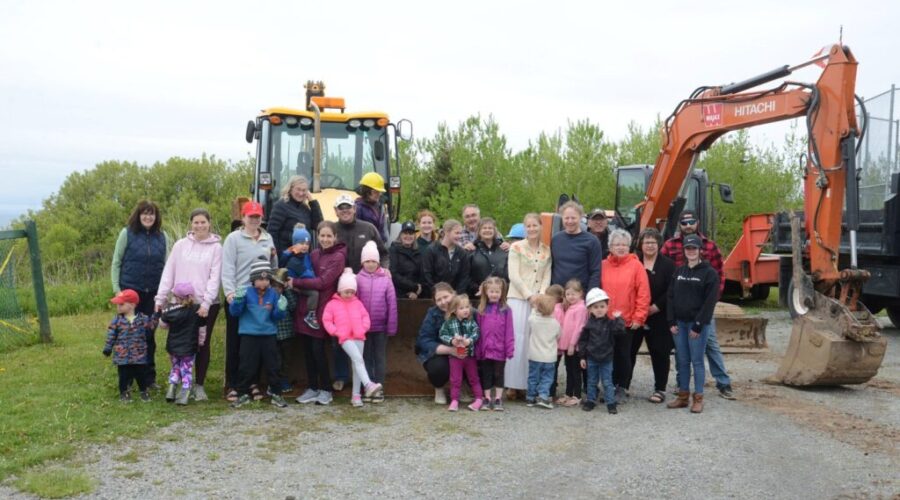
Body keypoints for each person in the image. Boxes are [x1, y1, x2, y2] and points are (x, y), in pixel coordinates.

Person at [661, 209, 735, 400]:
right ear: (679, 224)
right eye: (684, 223)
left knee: (710, 343)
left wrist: (709, 305)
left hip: (702, 309)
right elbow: (663, 272)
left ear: (698, 223)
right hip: (680, 309)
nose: (688, 226)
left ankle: (723, 383)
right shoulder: (669, 246)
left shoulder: (710, 246)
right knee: (681, 350)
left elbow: (719, 275)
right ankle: (682, 384)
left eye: (691, 222)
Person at [154, 208, 221, 402]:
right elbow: (169, 272)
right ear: (191, 224)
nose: (200, 226)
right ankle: (180, 383)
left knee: (202, 343)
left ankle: (198, 386)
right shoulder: (180, 245)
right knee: (179, 343)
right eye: (196, 222)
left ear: (209, 223)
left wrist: (207, 303)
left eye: (203, 222)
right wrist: (160, 298)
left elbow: (215, 278)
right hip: (180, 303)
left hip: (204, 304)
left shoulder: (216, 247)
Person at [221, 200, 277, 401]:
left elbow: (273, 265)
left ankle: (252, 381)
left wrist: (274, 290)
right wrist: (229, 293)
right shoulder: (233, 239)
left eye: (257, 216)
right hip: (239, 296)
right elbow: (227, 268)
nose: (254, 220)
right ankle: (233, 384)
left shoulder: (267, 239)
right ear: (243, 218)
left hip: (260, 296)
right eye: (250, 216)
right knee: (235, 342)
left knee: (254, 343)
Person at [332, 192, 389, 391]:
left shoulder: (368, 228)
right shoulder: (331, 230)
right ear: (336, 211)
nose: (345, 211)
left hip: (365, 288)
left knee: (359, 333)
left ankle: (366, 380)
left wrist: (384, 270)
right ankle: (341, 375)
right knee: (340, 333)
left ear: (354, 209)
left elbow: (383, 254)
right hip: (339, 289)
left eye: (348, 207)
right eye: (341, 208)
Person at [111, 200, 171, 389]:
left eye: (151, 213)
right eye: (144, 213)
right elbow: (116, 262)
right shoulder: (126, 234)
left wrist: (166, 292)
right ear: (138, 215)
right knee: (128, 336)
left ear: (156, 217)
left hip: (153, 294)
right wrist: (117, 290)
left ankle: (148, 378)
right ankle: (127, 379)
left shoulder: (163, 237)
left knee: (148, 335)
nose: (148, 217)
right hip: (130, 292)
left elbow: (168, 266)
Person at [292, 221, 347, 406]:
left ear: (335, 237)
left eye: (328, 236)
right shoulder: (313, 254)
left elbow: (323, 282)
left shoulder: (338, 257)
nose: (325, 239)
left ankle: (326, 389)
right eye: (322, 236)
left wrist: (296, 283)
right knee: (307, 350)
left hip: (322, 310)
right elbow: (304, 273)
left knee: (318, 351)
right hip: (305, 308)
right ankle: (312, 387)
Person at [667, 234, 719, 414]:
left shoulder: (709, 273)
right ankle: (683, 396)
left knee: (697, 361)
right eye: (688, 248)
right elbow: (671, 296)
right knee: (682, 360)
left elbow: (709, 302)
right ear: (684, 250)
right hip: (679, 324)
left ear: (700, 251)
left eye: (694, 248)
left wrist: (698, 325)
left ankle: (698, 398)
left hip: (697, 325)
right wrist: (671, 320)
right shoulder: (679, 271)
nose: (691, 251)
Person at [229, 258, 289, 409]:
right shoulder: (246, 292)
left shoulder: (273, 294)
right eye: (259, 279)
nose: (263, 282)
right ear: (253, 280)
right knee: (246, 365)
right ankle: (242, 393)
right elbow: (235, 313)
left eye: (266, 279)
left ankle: (276, 393)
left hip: (268, 335)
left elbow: (275, 317)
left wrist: (281, 310)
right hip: (249, 335)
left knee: (273, 365)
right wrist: (237, 300)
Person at [322, 268, 384, 407]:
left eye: (352, 291)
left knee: (357, 365)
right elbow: (327, 320)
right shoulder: (332, 304)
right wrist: (335, 332)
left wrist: (363, 328)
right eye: (346, 291)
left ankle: (356, 396)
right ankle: (368, 385)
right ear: (340, 290)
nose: (349, 294)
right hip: (344, 337)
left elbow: (365, 317)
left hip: (358, 336)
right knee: (358, 359)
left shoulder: (357, 302)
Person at [505, 213, 551, 397]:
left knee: (532, 342)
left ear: (541, 226)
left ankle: (527, 384)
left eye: (535, 225)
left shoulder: (546, 250)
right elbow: (513, 275)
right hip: (518, 299)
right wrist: (528, 295)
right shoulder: (516, 247)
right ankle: (511, 384)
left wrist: (540, 295)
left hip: (537, 302)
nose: (532, 229)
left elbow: (547, 274)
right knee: (516, 340)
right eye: (528, 226)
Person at [601, 228, 650, 403]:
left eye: (624, 244)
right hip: (605, 320)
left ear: (629, 246)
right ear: (610, 246)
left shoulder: (636, 266)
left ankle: (622, 387)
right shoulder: (603, 265)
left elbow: (643, 293)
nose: (620, 247)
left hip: (627, 320)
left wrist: (639, 317)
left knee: (623, 355)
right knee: (607, 355)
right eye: (617, 244)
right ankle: (609, 386)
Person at [632, 228, 676, 403]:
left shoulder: (668, 265)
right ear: (640, 244)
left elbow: (671, 290)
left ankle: (660, 388)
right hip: (636, 314)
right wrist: (640, 309)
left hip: (659, 314)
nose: (649, 245)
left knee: (660, 351)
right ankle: (623, 386)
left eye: (653, 242)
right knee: (629, 351)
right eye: (646, 242)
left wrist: (656, 306)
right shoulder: (634, 262)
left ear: (659, 244)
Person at [357, 241, 397, 403]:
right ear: (362, 262)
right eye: (367, 261)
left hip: (381, 327)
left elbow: (392, 303)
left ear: (378, 262)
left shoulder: (386, 279)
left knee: (379, 358)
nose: (371, 264)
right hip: (363, 328)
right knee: (365, 358)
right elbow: (355, 302)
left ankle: (379, 388)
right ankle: (368, 387)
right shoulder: (358, 279)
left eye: (374, 261)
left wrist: (391, 325)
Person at [103, 289, 159, 403]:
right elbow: (111, 335)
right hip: (122, 356)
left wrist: (157, 314)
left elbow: (152, 326)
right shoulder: (117, 320)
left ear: (132, 305)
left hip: (139, 355)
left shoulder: (143, 319)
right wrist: (108, 348)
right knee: (124, 376)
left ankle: (144, 391)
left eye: (121, 304)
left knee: (141, 375)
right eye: (117, 304)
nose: (118, 306)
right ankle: (124, 393)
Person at [578, 288, 626, 414]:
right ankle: (590, 400)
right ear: (589, 309)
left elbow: (620, 331)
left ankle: (611, 403)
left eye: (602, 306)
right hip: (591, 358)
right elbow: (583, 341)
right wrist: (582, 357)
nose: (599, 309)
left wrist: (619, 319)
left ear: (607, 307)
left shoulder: (611, 323)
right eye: (595, 307)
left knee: (607, 382)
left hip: (606, 358)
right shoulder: (588, 325)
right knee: (591, 381)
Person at [160, 282, 206, 406]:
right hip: (189, 347)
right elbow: (202, 327)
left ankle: (171, 390)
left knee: (175, 367)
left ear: (177, 297)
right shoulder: (197, 309)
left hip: (173, 347)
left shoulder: (170, 309)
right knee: (186, 370)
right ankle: (184, 395)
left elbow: (162, 324)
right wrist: (201, 341)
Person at [474, 277, 514, 411]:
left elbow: (509, 331)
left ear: (502, 292)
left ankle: (498, 398)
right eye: (491, 291)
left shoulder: (506, 310)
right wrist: (478, 348)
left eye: (497, 291)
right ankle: (486, 398)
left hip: (500, 349)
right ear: (486, 292)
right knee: (486, 374)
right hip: (485, 349)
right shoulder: (481, 310)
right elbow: (478, 331)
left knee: (498, 374)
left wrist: (509, 348)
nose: (494, 294)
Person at [414, 282, 458, 404]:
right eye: (439, 300)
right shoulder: (432, 313)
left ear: (453, 294)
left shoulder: (466, 309)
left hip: (463, 350)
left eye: (446, 297)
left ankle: (461, 386)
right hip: (440, 353)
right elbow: (424, 340)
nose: (443, 302)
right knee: (438, 368)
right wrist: (449, 350)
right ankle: (439, 388)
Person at [438, 294, 483, 412]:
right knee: (455, 379)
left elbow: (477, 332)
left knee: (474, 378)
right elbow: (442, 334)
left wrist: (469, 340)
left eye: (467, 307)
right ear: (454, 310)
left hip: (470, 356)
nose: (466, 310)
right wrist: (452, 340)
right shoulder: (449, 322)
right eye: (461, 308)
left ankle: (479, 398)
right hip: (455, 357)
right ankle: (454, 400)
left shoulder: (471, 322)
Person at [266, 175, 323, 263]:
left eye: (304, 190)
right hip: (287, 257)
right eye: (298, 189)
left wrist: (312, 201)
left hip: (302, 257)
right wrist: (278, 258)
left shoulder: (305, 208)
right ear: (290, 189)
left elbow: (319, 225)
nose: (301, 193)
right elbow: (272, 232)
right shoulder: (281, 206)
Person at [551, 201, 602, 291]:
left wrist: (590, 296)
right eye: (566, 218)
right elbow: (551, 267)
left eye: (573, 218)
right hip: (558, 296)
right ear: (562, 218)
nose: (570, 221)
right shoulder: (555, 240)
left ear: (580, 218)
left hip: (580, 297)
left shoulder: (592, 241)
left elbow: (595, 272)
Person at [552, 279, 588, 407]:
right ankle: (568, 393)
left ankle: (577, 395)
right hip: (567, 346)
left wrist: (573, 344)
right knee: (569, 370)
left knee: (575, 371)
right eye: (568, 294)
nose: (571, 296)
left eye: (574, 294)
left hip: (575, 346)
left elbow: (579, 328)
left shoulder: (581, 308)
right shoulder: (570, 307)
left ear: (581, 294)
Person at [526, 294, 561, 409]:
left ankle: (530, 397)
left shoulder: (534, 320)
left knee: (533, 377)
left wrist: (534, 307)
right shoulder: (555, 323)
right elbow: (559, 336)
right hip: (549, 357)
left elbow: (531, 316)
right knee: (547, 378)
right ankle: (543, 396)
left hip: (535, 356)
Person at [282, 225, 320, 330]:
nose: (305, 246)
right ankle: (310, 315)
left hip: (299, 281)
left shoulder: (305, 255)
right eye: (301, 243)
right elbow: (305, 272)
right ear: (294, 244)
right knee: (314, 293)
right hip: (293, 285)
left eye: (307, 244)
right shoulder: (295, 259)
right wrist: (315, 279)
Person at [422, 219, 470, 295]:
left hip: (455, 298)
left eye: (460, 233)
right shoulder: (431, 250)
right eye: (457, 233)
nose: (459, 236)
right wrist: (437, 293)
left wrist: (457, 293)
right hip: (435, 297)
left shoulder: (462, 253)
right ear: (447, 232)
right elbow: (427, 275)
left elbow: (464, 276)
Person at [468, 217, 509, 298]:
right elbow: (466, 276)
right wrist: (479, 289)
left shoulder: (504, 250)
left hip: (501, 297)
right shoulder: (471, 250)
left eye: (490, 228)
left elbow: (509, 274)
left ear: (495, 231)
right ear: (479, 231)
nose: (487, 230)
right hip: (478, 297)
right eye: (484, 228)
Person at [271, 269, 296, 395]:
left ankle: (284, 380)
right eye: (274, 286)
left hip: (287, 334)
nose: (277, 289)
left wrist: (287, 290)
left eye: (279, 287)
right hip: (274, 335)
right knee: (276, 360)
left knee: (286, 360)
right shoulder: (269, 297)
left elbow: (293, 306)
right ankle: (274, 382)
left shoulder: (286, 295)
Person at [390, 221, 428, 299]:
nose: (408, 236)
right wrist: (413, 287)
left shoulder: (419, 252)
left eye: (411, 233)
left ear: (414, 236)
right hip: (398, 293)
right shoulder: (393, 250)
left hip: (415, 294)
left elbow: (422, 274)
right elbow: (394, 274)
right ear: (400, 235)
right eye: (405, 233)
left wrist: (416, 292)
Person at [354, 172, 390, 244]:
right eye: (376, 192)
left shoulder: (381, 206)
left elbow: (384, 230)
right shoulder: (358, 208)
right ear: (367, 191)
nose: (379, 194)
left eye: (379, 192)